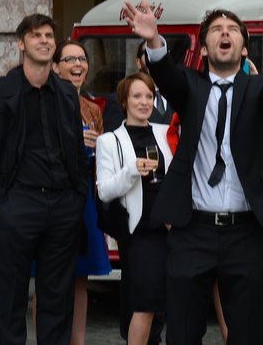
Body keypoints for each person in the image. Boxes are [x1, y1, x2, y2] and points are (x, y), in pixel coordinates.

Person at [120, 1, 263, 345]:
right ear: (204, 48)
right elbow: (167, 76)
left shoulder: (258, 88)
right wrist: (154, 40)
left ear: (244, 47)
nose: (225, 33)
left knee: (248, 333)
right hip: (192, 230)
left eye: (232, 30)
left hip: (247, 233)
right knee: (183, 332)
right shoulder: (189, 86)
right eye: (216, 30)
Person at [0, 14, 89, 345]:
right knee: (12, 299)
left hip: (62, 206)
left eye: (48, 35)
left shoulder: (66, 94)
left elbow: (75, 150)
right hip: (17, 205)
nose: (44, 40)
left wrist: (77, 198)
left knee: (58, 300)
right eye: (35, 35)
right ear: (21, 44)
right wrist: (0, 203)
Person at [96, 73, 174, 345]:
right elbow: (104, 190)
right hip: (140, 233)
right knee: (144, 305)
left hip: (171, 228)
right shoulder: (109, 141)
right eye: (137, 96)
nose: (144, 102)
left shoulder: (165, 133)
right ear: (124, 101)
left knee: (167, 307)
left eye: (149, 96)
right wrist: (131, 171)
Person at [48, 40, 111, 345]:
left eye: (83, 59)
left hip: (85, 198)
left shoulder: (92, 108)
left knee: (81, 279)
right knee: (49, 282)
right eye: (70, 58)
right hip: (52, 197)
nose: (78, 64)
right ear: (55, 66)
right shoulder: (44, 103)